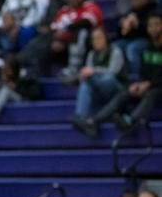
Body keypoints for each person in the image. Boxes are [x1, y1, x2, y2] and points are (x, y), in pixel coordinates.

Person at [73, 10, 162, 138]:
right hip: (147, 85)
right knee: (126, 92)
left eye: (157, 24)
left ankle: (131, 120)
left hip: (156, 87)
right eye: (150, 25)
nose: (153, 28)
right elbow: (144, 72)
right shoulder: (147, 48)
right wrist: (139, 83)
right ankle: (93, 120)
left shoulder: (115, 51)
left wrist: (149, 84)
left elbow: (114, 72)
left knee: (152, 93)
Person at [69, 26, 126, 126]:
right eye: (94, 39)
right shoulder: (91, 54)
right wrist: (83, 76)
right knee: (85, 84)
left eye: (99, 37)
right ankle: (81, 117)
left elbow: (113, 72)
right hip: (99, 89)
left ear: (105, 38)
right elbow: (88, 72)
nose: (97, 41)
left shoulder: (115, 51)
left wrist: (94, 71)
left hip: (117, 89)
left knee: (108, 78)